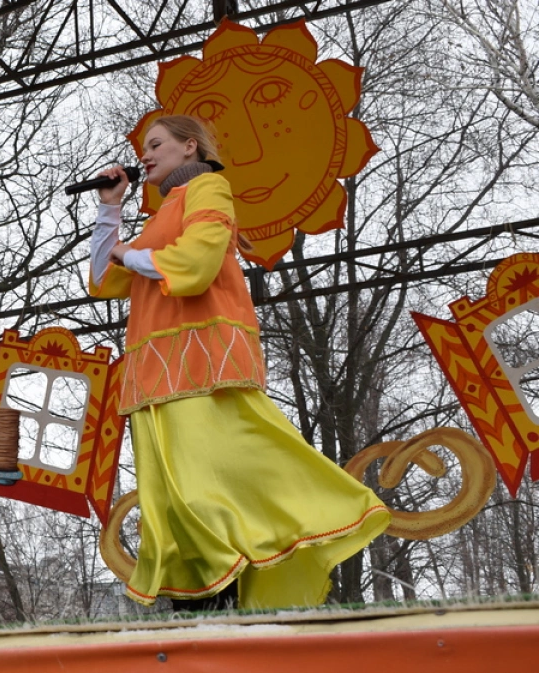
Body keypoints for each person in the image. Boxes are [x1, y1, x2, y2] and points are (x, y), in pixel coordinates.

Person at [88, 115, 391, 610]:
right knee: (167, 496)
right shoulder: (158, 218)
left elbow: (195, 262)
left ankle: (265, 551)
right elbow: (102, 278)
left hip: (200, 360)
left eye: (155, 144)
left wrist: (129, 254)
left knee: (210, 480)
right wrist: (110, 212)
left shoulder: (209, 188)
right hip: (153, 371)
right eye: (143, 147)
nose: (144, 154)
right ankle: (199, 596)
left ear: (190, 147)